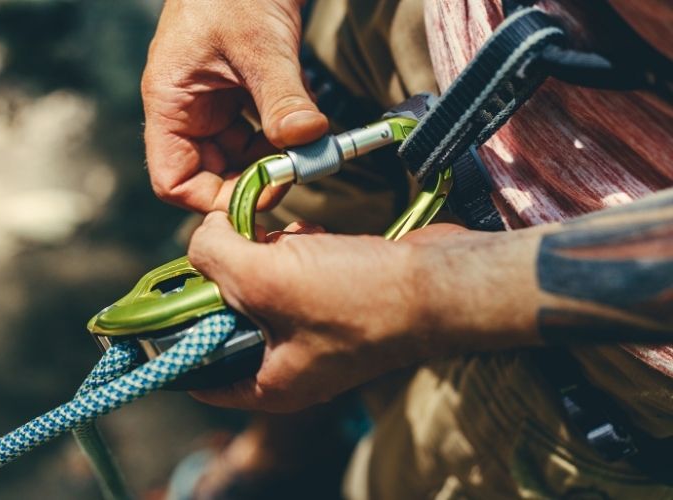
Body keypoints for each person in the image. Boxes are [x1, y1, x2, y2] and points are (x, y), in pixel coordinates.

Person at [141, 0, 673, 498]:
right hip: (410, 30)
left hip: (598, 345)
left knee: (389, 480)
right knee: (263, 282)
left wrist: (423, 292)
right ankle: (275, 456)